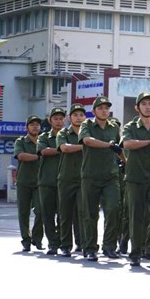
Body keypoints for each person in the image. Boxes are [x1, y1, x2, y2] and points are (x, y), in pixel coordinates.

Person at [121, 92, 150, 267]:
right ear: (137, 107)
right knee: (136, 216)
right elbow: (127, 144)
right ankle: (136, 252)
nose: (147, 106)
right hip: (135, 177)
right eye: (143, 104)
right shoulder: (130, 127)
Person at [79, 96, 124, 261]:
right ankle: (90, 248)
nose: (104, 110)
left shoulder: (114, 127)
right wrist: (108, 145)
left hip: (110, 176)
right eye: (100, 108)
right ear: (94, 111)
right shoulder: (87, 124)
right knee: (90, 213)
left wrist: (126, 163)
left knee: (113, 209)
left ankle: (109, 246)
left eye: (106, 108)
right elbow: (87, 140)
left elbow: (119, 148)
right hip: (90, 175)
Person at [57, 104, 86, 257]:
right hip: (66, 178)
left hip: (84, 178)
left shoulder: (88, 132)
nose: (78, 118)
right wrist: (85, 146)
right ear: (70, 118)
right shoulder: (64, 132)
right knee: (65, 213)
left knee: (83, 212)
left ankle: (83, 244)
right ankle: (65, 245)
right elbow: (64, 148)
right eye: (75, 115)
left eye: (81, 115)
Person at [37, 107, 66, 255]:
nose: (59, 121)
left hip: (64, 181)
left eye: (61, 118)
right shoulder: (44, 137)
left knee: (63, 214)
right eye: (56, 118)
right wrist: (63, 148)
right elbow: (43, 151)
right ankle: (52, 243)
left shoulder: (68, 135)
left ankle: (62, 241)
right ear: (50, 120)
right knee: (47, 214)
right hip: (46, 181)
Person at [13, 115, 44, 252]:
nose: (35, 126)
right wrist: (39, 156)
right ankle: (26, 239)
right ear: (27, 127)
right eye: (32, 124)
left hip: (40, 182)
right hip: (24, 182)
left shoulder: (43, 141)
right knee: (23, 212)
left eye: (37, 124)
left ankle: (37, 238)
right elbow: (21, 156)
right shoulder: (20, 141)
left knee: (41, 210)